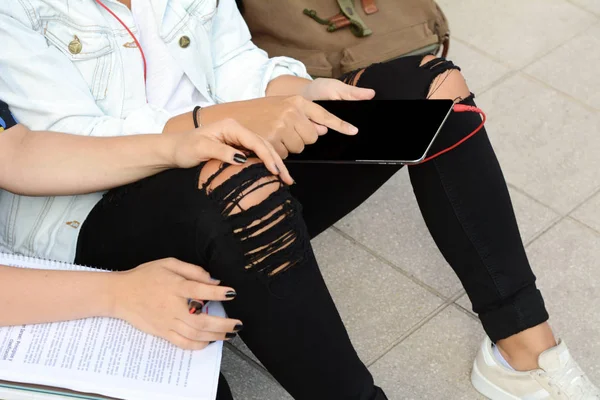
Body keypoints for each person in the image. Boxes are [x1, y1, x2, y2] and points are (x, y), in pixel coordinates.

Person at [0, 1, 598, 399]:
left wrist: (294, 93)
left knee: (432, 94)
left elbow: (235, 59)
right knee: (238, 188)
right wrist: (216, 123)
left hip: (225, 144)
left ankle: (523, 346)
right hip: (90, 207)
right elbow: (57, 142)